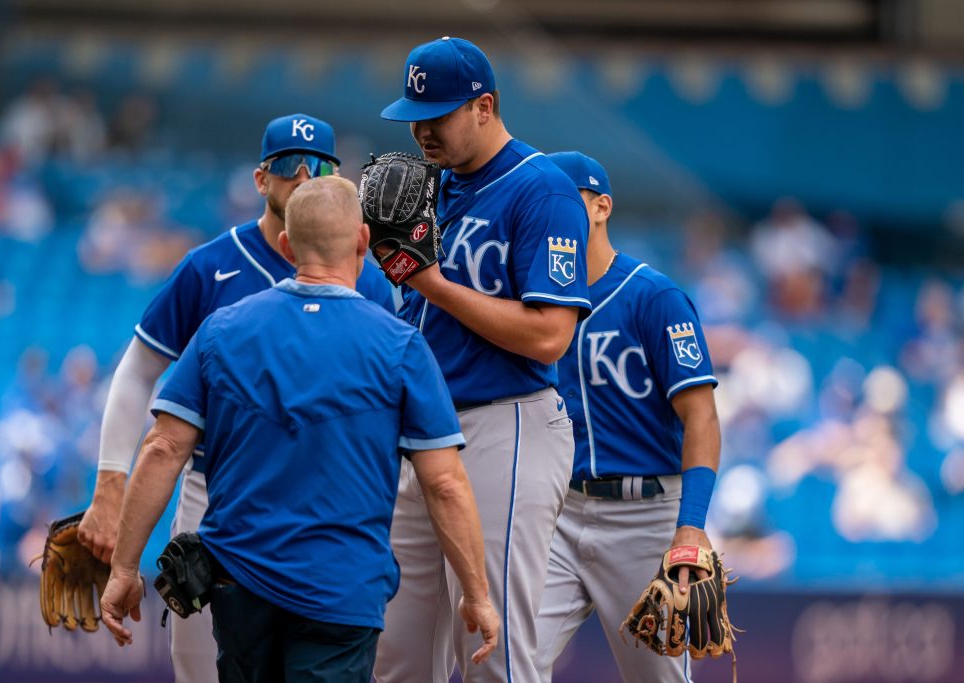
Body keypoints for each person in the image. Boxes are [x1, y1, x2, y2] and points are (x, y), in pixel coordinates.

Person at [99, 176, 500, 682]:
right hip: (341, 589)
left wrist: (124, 569)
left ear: (287, 246)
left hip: (239, 582)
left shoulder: (220, 330)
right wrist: (478, 594)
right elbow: (443, 482)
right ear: (361, 241)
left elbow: (162, 448)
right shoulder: (401, 346)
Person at [77, 113, 394, 683]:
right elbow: (136, 373)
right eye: (287, 166)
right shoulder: (210, 267)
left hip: (330, 500)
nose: (303, 175)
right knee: (202, 667)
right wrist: (109, 482)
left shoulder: (366, 278)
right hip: (215, 487)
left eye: (318, 165)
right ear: (259, 179)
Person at [374, 37, 592, 683]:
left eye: (437, 114)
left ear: (484, 106)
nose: (421, 130)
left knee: (497, 656)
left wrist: (431, 282)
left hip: (504, 425)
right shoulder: (428, 187)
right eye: (414, 115)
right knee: (396, 656)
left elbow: (551, 335)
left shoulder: (541, 189)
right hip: (422, 434)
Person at [534, 152, 722, 682]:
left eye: (562, 202)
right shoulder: (535, 301)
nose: (548, 215)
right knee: (505, 659)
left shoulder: (653, 297)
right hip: (559, 512)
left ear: (600, 207)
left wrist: (691, 527)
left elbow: (701, 417)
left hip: (645, 518)